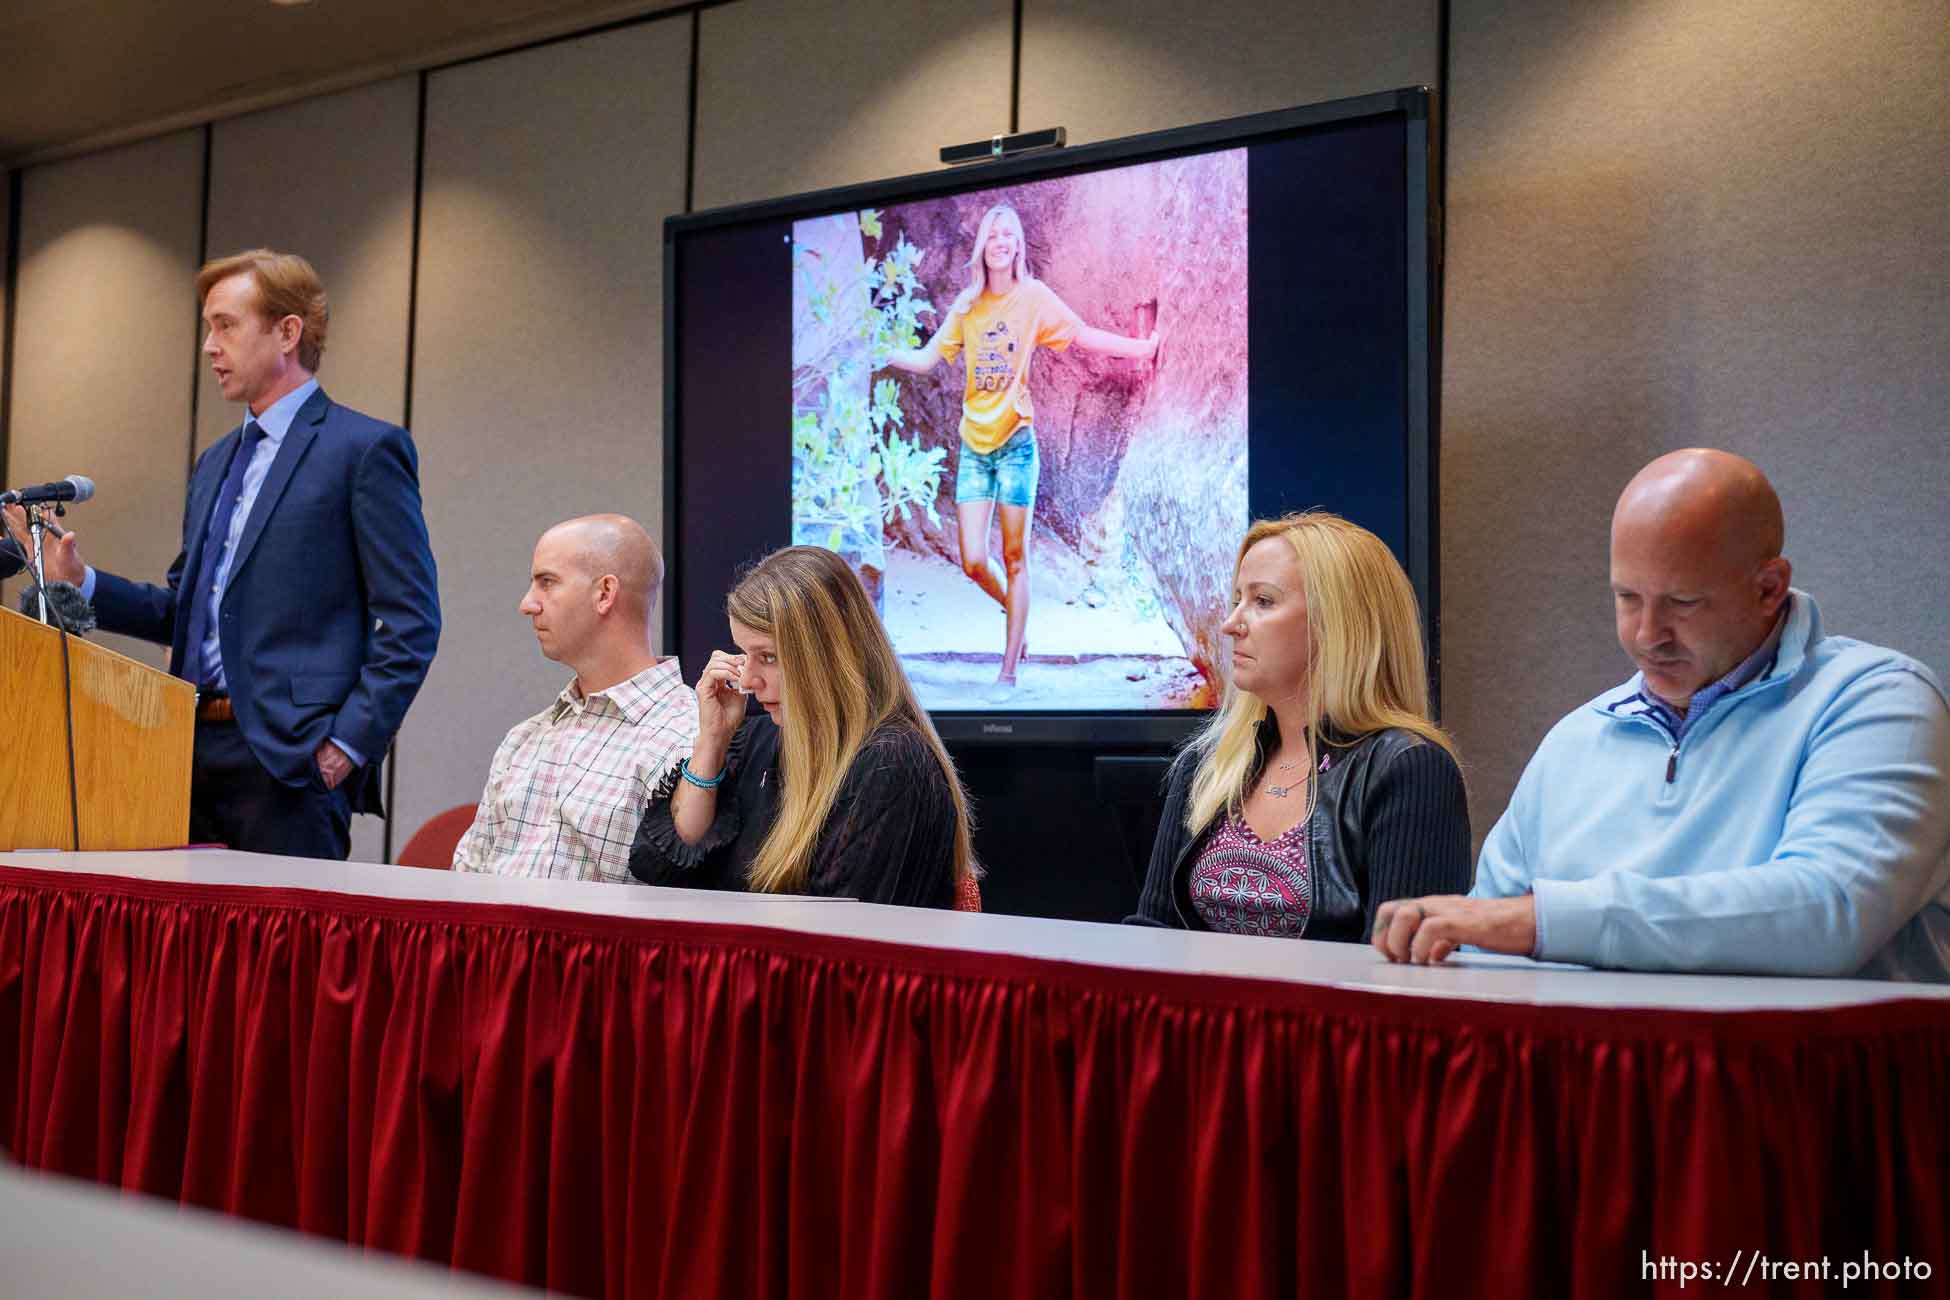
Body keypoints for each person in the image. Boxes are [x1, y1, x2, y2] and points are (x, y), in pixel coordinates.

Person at [1374, 449, 1950, 980]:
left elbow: (1829, 912)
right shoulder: (1576, 740)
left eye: (1683, 603)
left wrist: (1543, 922)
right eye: (1627, 598)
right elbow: (1480, 950)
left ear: (1770, 588)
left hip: (1800, 1086)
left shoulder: (1878, 703)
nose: (1648, 636)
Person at [5, 248, 440, 860]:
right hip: (185, 754)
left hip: (290, 764)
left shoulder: (363, 451)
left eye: (226, 325)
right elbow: (181, 612)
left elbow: (411, 621)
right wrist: (83, 581)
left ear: (287, 332)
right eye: (209, 327)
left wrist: (345, 747)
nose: (210, 346)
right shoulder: (215, 462)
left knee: (283, 957)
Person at [1130, 512, 1471, 940]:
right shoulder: (1208, 764)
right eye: (1237, 598)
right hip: (1200, 1010)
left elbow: (1399, 979)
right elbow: (1151, 939)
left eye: (1263, 601)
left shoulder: (1409, 769)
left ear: (1338, 624)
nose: (1231, 624)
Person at [884, 203, 1159, 688]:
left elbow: (1081, 336)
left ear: (1018, 246)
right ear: (983, 246)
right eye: (993, 235)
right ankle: (1019, 616)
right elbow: (929, 359)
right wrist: (878, 349)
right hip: (975, 448)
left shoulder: (1033, 297)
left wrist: (1142, 348)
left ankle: (1008, 669)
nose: (1001, 242)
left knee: (1015, 558)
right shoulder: (968, 306)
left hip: (1016, 445)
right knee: (973, 560)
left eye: (1009, 235)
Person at [629, 545, 975, 907]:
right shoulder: (756, 739)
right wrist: (711, 741)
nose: (747, 680)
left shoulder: (890, 764)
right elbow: (662, 870)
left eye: (768, 657)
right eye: (744, 655)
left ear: (828, 656)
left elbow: (840, 946)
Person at [451, 515, 695, 881]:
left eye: (546, 582)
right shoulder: (524, 739)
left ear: (604, 593)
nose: (527, 604)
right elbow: (465, 879)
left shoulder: (687, 739)